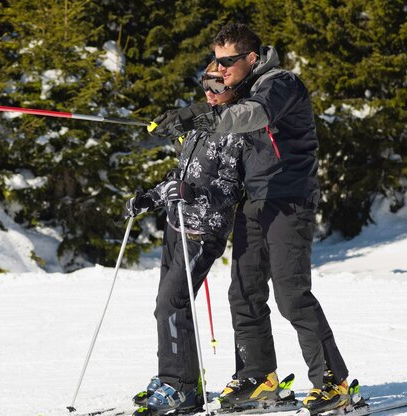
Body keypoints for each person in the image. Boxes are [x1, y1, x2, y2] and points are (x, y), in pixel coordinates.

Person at [150, 23, 351, 415]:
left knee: (291, 295)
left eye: (228, 62)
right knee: (243, 291)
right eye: (217, 61)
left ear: (251, 59)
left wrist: (202, 117)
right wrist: (182, 121)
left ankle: (333, 383)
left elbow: (253, 116)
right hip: (254, 201)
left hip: (289, 200)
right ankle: (258, 377)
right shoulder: (237, 90)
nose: (220, 69)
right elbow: (217, 128)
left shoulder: (280, 83)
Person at [126, 62, 245, 416]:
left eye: (217, 87)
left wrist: (190, 194)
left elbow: (229, 189)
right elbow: (183, 175)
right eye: (205, 86)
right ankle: (176, 381)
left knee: (171, 302)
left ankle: (179, 387)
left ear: (234, 87)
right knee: (168, 305)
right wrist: (153, 195)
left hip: (203, 231)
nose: (209, 94)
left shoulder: (237, 128)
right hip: (177, 225)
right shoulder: (201, 125)